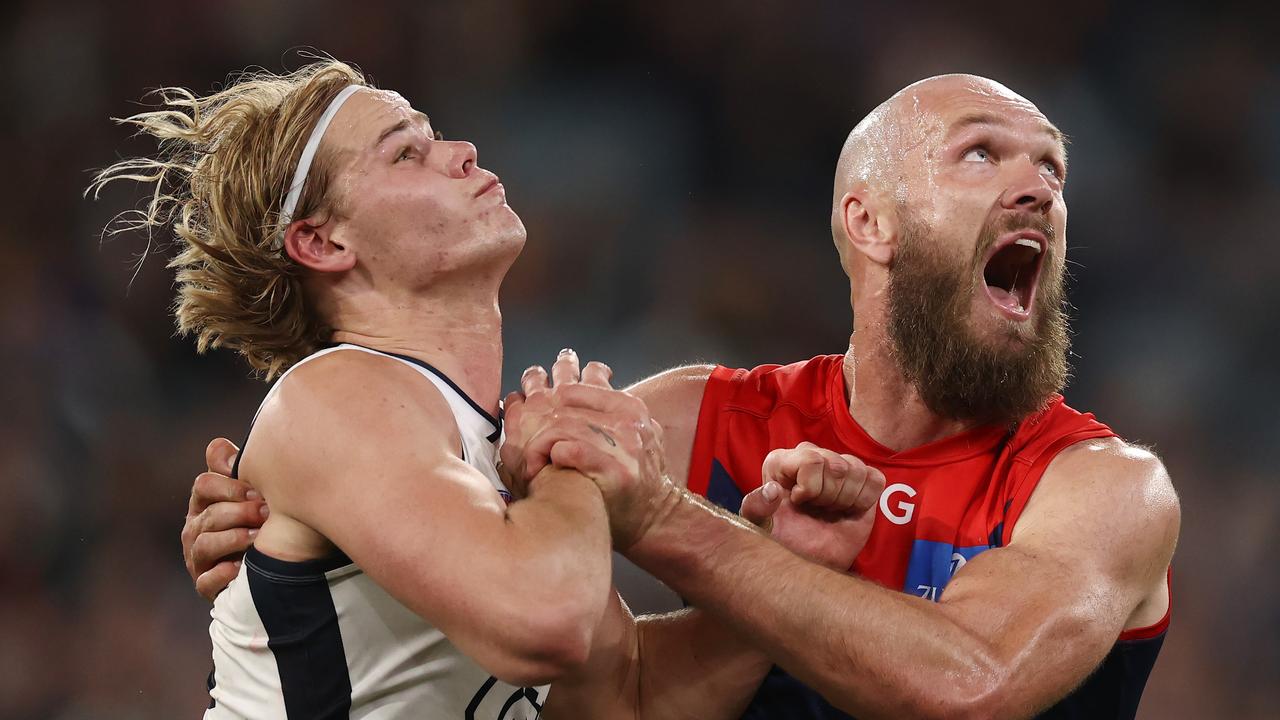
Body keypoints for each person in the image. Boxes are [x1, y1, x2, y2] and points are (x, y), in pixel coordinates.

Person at [187, 73, 1180, 718]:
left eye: (1050, 166)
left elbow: (971, 684)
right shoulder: (675, 422)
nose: (1038, 187)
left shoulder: (1102, 489)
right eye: (981, 154)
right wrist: (258, 539)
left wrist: (694, 534)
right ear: (867, 222)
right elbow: (569, 640)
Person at [96, 59, 875, 719]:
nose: (462, 152)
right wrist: (574, 462)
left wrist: (785, 568)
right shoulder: (337, 394)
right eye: (406, 154)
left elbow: (627, 695)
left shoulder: (480, 441)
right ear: (322, 241)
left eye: (436, 136)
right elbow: (546, 623)